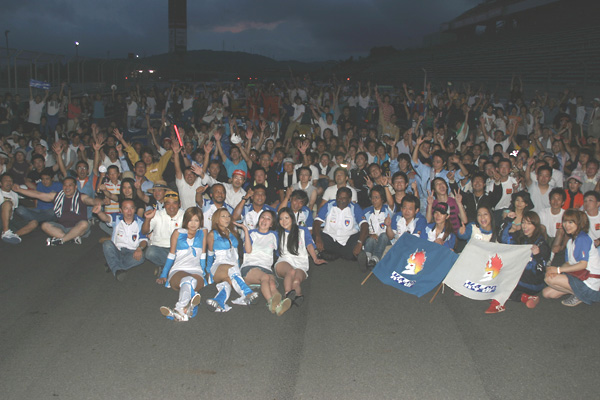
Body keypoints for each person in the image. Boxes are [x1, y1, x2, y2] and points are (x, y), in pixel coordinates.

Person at [156, 207, 207, 322]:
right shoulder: (177, 233)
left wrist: (204, 272)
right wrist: (164, 274)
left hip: (196, 270)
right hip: (178, 270)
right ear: (185, 220)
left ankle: (180, 311)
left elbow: (203, 254)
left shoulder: (203, 232)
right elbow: (171, 255)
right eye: (190, 220)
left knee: (191, 281)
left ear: (200, 221)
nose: (193, 224)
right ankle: (187, 307)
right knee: (188, 280)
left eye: (196, 220)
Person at [12, 176, 97, 245]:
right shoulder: (57, 196)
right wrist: (20, 190)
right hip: (63, 228)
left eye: (70, 185)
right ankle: (70, 238)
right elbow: (38, 194)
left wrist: (100, 202)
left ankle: (62, 240)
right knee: (45, 225)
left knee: (84, 224)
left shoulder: (82, 196)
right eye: (65, 185)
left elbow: (91, 201)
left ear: (75, 187)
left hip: (78, 228)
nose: (67, 187)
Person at [204, 208, 258, 312]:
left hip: (233, 266)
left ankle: (219, 301)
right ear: (216, 219)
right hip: (219, 265)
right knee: (231, 270)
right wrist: (207, 271)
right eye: (223, 216)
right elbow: (210, 254)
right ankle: (247, 293)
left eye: (228, 216)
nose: (227, 218)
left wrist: (238, 268)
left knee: (227, 283)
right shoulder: (212, 234)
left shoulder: (232, 232)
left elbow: (236, 253)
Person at [543, 209, 600, 307]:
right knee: (547, 293)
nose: (566, 225)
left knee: (549, 279)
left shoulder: (582, 238)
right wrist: (555, 271)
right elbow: (569, 263)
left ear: (579, 223)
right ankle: (577, 294)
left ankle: (582, 295)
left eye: (570, 222)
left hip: (589, 282)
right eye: (565, 222)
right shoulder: (570, 242)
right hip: (579, 276)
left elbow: (583, 264)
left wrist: (558, 270)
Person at [239, 210, 290, 315]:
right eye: (262, 217)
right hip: (250, 267)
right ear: (259, 220)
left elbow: (280, 251)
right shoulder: (252, 233)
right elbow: (247, 250)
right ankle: (270, 303)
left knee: (272, 284)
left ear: (271, 224)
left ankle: (279, 306)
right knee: (265, 278)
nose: (264, 220)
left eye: (268, 218)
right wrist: (245, 231)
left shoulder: (274, 235)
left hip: (266, 268)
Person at [275, 207, 326, 307]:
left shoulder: (302, 230)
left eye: (286, 218)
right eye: (281, 219)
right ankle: (287, 295)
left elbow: (309, 244)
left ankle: (298, 296)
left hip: (301, 262)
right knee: (291, 271)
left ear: (292, 218)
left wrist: (315, 258)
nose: (283, 221)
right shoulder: (277, 232)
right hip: (284, 261)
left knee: (296, 281)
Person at [500, 211, 550, 311]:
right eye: (523, 222)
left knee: (499, 284)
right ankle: (526, 297)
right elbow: (504, 239)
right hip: (519, 275)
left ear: (536, 225)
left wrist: (537, 256)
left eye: (529, 223)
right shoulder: (521, 236)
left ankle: (520, 295)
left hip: (533, 282)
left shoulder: (542, 245)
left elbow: (539, 271)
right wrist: (508, 221)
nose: (525, 226)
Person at [313, 187, 369, 267]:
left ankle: (329, 254)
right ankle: (348, 255)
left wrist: (360, 243)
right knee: (315, 234)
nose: (340, 200)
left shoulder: (355, 207)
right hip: (330, 239)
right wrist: (318, 238)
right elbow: (317, 222)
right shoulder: (329, 205)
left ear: (349, 200)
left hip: (348, 241)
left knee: (363, 234)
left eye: (344, 198)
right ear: (336, 197)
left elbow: (364, 225)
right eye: (339, 197)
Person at [94, 199, 148, 281]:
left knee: (141, 257)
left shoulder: (141, 222)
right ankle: (116, 268)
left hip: (132, 252)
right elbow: (106, 218)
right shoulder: (117, 218)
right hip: (117, 249)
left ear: (135, 209)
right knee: (107, 244)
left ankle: (113, 264)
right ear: (121, 210)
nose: (129, 211)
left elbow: (144, 240)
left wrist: (139, 248)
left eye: (131, 208)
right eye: (126, 208)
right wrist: (99, 212)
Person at [142, 190, 185, 275]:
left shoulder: (185, 215)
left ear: (179, 204)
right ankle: (175, 267)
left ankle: (165, 267)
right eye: (168, 203)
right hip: (160, 248)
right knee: (150, 252)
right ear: (164, 205)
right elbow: (144, 231)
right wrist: (147, 219)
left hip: (178, 249)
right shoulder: (157, 214)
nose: (171, 206)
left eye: (174, 203)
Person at [362, 185, 394, 269]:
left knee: (383, 235)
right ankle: (367, 258)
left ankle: (375, 258)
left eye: (376, 197)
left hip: (386, 241)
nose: (374, 200)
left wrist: (386, 186)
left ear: (382, 199)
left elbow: (391, 203)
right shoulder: (366, 211)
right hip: (373, 240)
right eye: (372, 197)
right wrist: (370, 235)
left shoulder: (387, 210)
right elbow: (362, 228)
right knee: (370, 240)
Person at [1, 173, 25, 244]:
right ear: (0, 183)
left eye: (10, 181)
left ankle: (14, 235)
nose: (9, 182)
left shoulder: (14, 194)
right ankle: (5, 231)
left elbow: (14, 209)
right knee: (7, 203)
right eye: (6, 180)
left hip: (10, 219)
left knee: (34, 223)